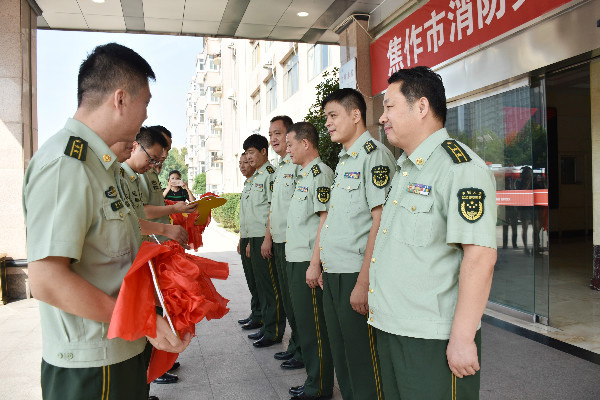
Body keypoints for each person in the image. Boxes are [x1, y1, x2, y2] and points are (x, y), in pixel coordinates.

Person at [22, 42, 190, 400]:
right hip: (92, 367)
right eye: (145, 103)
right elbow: (47, 279)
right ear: (120, 99)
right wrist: (145, 320)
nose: (146, 117)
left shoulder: (103, 168)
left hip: (121, 349)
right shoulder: (66, 165)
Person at [371, 66, 497, 399]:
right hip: (391, 327)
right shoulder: (406, 168)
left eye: (389, 107)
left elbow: (480, 256)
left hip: (432, 338)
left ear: (422, 107)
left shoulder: (461, 169)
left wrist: (462, 337)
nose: (382, 118)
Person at [318, 88, 395, 399]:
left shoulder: (374, 157)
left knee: (363, 360)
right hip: (334, 272)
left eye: (333, 116)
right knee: (343, 355)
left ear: (355, 115)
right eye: (325, 118)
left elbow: (380, 223)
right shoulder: (345, 159)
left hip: (355, 274)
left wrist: (363, 282)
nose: (328, 123)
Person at [285, 122, 335, 400]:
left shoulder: (320, 175)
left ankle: (320, 387)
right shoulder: (303, 175)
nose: (287, 150)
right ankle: (313, 380)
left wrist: (315, 263)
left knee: (315, 328)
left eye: (291, 144)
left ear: (306, 144)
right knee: (305, 325)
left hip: (308, 260)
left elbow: (323, 221)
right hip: (296, 258)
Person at [265, 116, 304, 369]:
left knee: (297, 301)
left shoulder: (298, 164)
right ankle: (295, 346)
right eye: (270, 135)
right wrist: (268, 237)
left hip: (294, 243)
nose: (274, 139)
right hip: (279, 241)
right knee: (288, 300)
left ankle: (302, 349)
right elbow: (274, 208)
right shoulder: (279, 167)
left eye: (278, 133)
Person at [242, 134, 286, 347]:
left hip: (264, 237)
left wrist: (265, 238)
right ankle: (266, 325)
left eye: (251, 152)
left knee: (270, 287)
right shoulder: (256, 176)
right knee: (260, 284)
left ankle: (273, 330)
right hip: (255, 236)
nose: (248, 157)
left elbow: (271, 208)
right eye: (246, 153)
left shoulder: (270, 174)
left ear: (263, 152)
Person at [236, 152, 262, 329]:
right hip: (246, 237)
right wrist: (241, 239)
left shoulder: (261, 180)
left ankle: (264, 320)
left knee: (261, 283)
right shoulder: (248, 184)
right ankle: (256, 313)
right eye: (240, 163)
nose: (243, 166)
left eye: (246, 162)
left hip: (257, 238)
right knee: (252, 281)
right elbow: (246, 216)